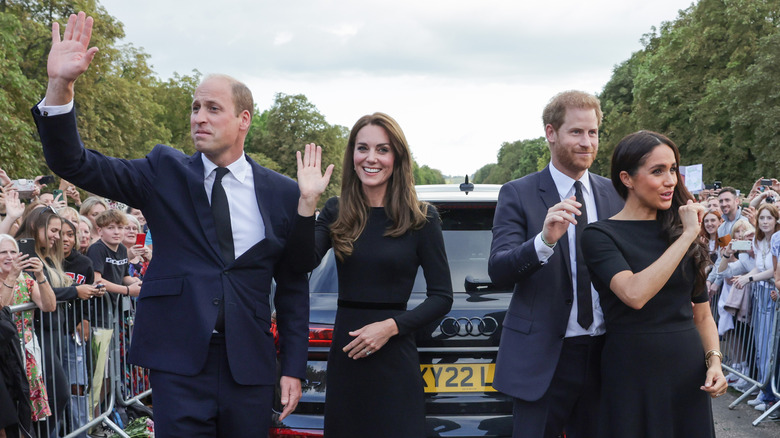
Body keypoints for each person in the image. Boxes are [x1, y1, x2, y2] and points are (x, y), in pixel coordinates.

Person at [32, 12, 315, 437]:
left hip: (251, 365)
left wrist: (292, 367)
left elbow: (293, 286)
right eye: (195, 107)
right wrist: (61, 86)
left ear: (244, 120)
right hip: (179, 363)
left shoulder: (281, 192)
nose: (199, 116)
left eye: (213, 108)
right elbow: (74, 162)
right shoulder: (162, 170)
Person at [297, 113, 453, 437]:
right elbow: (301, 262)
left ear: (396, 157)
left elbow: (442, 297)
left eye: (382, 149)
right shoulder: (336, 211)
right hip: (347, 358)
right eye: (362, 148)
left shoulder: (421, 218)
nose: (371, 158)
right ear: (352, 155)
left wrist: (391, 327)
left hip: (395, 360)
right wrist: (307, 201)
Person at [488, 90, 624, 437]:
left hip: (605, 357)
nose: (587, 142)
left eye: (592, 132)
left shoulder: (613, 194)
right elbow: (500, 269)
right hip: (544, 359)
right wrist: (544, 240)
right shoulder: (518, 193)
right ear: (551, 133)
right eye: (576, 132)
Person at [581, 131, 726, 437]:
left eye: (673, 169)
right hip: (631, 372)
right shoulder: (600, 235)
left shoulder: (679, 231)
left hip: (687, 372)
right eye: (658, 171)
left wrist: (714, 362)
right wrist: (688, 235)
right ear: (627, 179)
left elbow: (702, 315)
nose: (670, 180)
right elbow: (635, 294)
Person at [0, 234, 57, 427]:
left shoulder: (25, 280)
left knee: (27, 411)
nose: (9, 256)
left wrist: (40, 276)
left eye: (13, 252)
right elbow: (1, 309)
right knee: (8, 415)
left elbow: (49, 306)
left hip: (27, 353)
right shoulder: (13, 278)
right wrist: (11, 277)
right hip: (4, 356)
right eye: (3, 252)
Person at [733, 203, 780, 411]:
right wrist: (745, 276)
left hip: (771, 297)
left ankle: (771, 395)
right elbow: (759, 266)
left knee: (769, 348)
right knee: (760, 347)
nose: (765, 222)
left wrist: (749, 278)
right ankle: (763, 391)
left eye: (769, 218)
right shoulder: (758, 239)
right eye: (762, 218)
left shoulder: (777, 240)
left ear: (776, 220)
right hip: (760, 296)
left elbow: (773, 271)